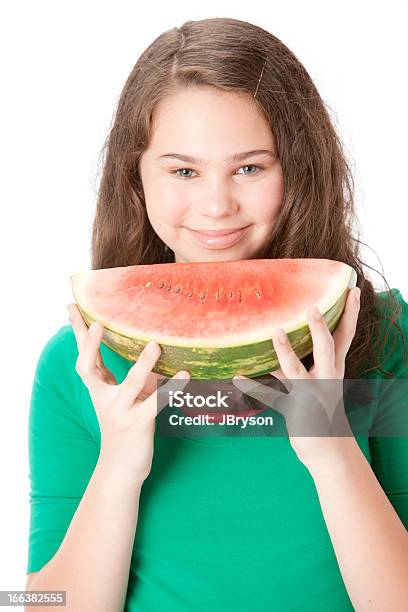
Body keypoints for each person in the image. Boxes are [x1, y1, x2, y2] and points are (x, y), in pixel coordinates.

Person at [25, 17, 408, 611]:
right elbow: (47, 604)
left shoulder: (380, 337)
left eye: (250, 167)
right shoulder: (80, 366)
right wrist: (119, 463)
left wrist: (331, 450)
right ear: (136, 178)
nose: (216, 205)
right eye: (183, 170)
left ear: (299, 169)